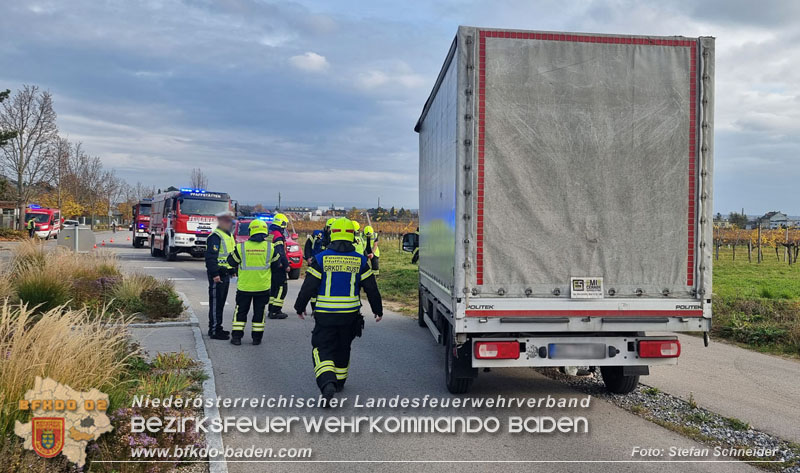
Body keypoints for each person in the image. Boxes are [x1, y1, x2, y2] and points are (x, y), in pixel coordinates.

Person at [294, 218, 383, 403]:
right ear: (353, 236)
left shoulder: (321, 259)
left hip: (325, 314)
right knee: (344, 346)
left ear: (332, 234)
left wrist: (299, 307)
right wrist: (378, 309)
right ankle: (340, 382)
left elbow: (309, 286)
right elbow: (371, 288)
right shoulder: (360, 260)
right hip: (350, 315)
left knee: (322, 347)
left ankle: (327, 383)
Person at [225, 219, 281, 345]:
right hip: (262, 287)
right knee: (259, 313)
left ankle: (237, 338)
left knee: (240, 312)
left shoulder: (241, 247)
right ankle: (257, 338)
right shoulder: (270, 248)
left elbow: (230, 262)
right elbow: (277, 266)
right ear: (265, 231)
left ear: (251, 231)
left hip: (244, 287)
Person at [204, 211, 237, 340]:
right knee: (216, 303)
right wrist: (215, 274)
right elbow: (210, 258)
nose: (230, 224)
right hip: (217, 275)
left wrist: (233, 270)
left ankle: (218, 326)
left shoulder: (228, 235)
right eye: (228, 222)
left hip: (225, 274)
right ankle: (214, 330)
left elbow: (230, 255)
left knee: (221, 303)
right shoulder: (216, 236)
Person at [267, 213, 290, 319]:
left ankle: (271, 309)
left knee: (274, 288)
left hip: (271, 265)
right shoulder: (278, 236)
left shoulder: (271, 233)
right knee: (282, 288)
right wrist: (286, 265)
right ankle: (276, 310)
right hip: (279, 265)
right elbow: (280, 251)